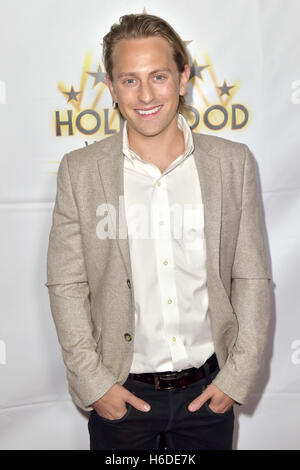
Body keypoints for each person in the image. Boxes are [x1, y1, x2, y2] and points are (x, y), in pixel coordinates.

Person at [45, 13, 272, 450]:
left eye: (159, 76)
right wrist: (94, 384)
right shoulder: (79, 172)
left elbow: (252, 278)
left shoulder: (233, 163)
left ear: (183, 78)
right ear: (111, 88)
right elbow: (67, 285)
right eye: (129, 80)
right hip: (121, 398)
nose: (146, 94)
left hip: (208, 397)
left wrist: (236, 378)